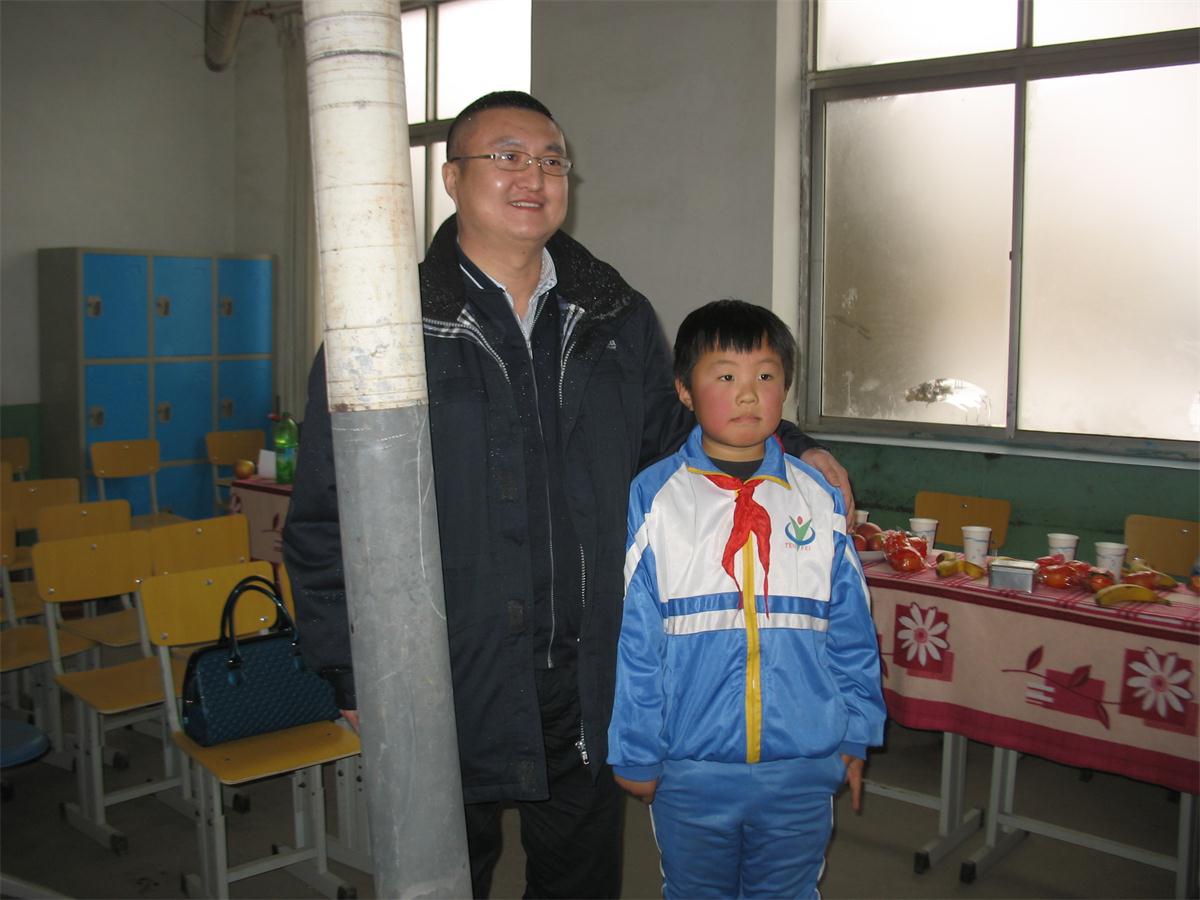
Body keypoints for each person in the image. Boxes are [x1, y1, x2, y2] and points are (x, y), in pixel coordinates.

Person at [283, 91, 856, 898]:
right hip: (445, 675)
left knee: (580, 883)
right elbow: (325, 518)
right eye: (507, 157)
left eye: (552, 161)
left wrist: (794, 445)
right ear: (452, 177)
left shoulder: (615, 317)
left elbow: (678, 434)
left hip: (588, 673)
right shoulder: (388, 326)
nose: (534, 177)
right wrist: (350, 673)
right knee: (440, 880)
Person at [607, 299, 885, 899]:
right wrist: (635, 748)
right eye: (726, 375)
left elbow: (852, 630)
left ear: (785, 387)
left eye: (765, 375)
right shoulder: (654, 498)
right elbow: (636, 640)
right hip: (691, 767)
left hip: (802, 764)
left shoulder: (817, 497)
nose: (748, 393)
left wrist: (856, 731)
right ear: (684, 390)